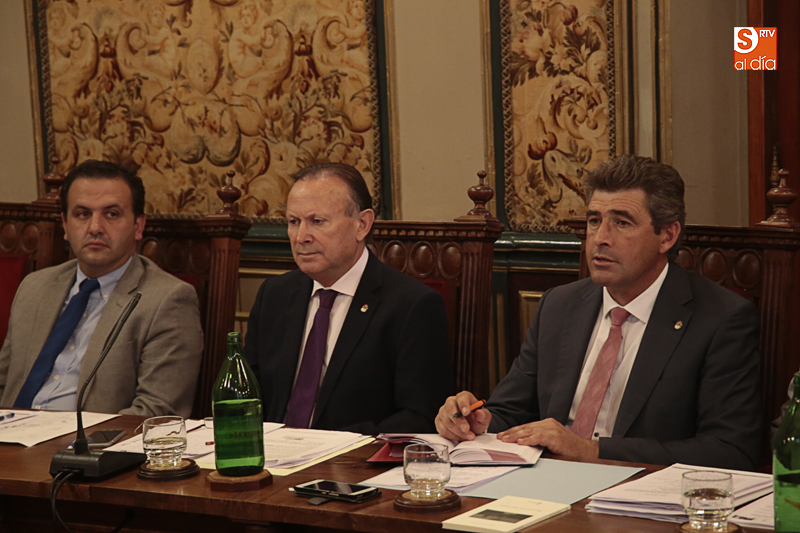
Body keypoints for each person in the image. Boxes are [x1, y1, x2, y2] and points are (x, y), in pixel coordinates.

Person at [435, 155, 762, 470]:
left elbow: (730, 450)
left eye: (622, 223)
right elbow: (511, 411)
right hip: (544, 484)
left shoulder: (720, 319)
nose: (600, 238)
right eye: (594, 221)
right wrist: (476, 420)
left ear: (667, 236)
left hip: (639, 493)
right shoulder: (559, 305)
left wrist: (592, 451)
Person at [244, 162, 453, 434]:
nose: (301, 237)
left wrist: (337, 447)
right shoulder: (274, 295)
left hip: (354, 457)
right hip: (272, 454)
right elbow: (245, 394)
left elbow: (420, 417)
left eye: (317, 221)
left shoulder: (412, 305)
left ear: (361, 225)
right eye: (294, 222)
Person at [0, 160, 203, 417]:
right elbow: (3, 384)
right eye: (82, 214)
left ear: (138, 226)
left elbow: (156, 412)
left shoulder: (168, 300)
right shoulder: (35, 287)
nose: (95, 228)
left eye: (112, 214)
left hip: (85, 440)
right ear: (65, 225)